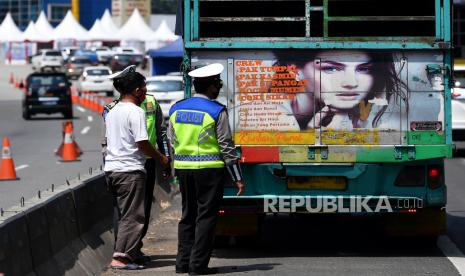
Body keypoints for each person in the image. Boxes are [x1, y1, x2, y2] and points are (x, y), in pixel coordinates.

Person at [168, 63, 245, 275]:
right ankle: (198, 266)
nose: (219, 88)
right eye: (218, 84)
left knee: (187, 215)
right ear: (211, 87)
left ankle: (182, 264)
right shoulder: (216, 110)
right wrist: (237, 177)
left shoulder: (176, 108)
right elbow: (226, 146)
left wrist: (175, 165)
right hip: (209, 170)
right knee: (206, 217)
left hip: (183, 168)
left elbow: (171, 140)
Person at [103, 65, 170, 270]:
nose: (145, 93)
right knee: (134, 216)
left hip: (112, 169)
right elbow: (143, 143)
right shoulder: (136, 112)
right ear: (137, 91)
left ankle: (126, 254)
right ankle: (121, 259)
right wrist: (161, 158)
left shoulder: (112, 110)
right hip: (130, 170)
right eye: (144, 88)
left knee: (125, 216)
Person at [273, 50, 407, 130]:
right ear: (295, 71)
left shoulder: (360, 112)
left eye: (363, 69)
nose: (351, 83)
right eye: (331, 69)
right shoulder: (271, 113)